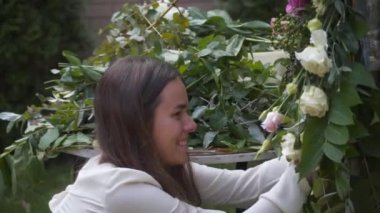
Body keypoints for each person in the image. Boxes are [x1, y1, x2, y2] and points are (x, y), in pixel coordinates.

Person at [49, 56, 310, 213]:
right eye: (177, 114)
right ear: (138, 121)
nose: (191, 125)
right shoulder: (119, 189)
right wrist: (304, 176)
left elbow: (246, 184)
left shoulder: (147, 164)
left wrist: (309, 146)